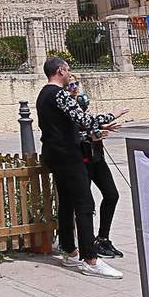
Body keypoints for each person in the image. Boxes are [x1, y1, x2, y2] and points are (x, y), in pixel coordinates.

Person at [37, 56, 125, 280]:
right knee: (85, 204)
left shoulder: (42, 95)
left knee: (66, 202)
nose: (69, 74)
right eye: (67, 70)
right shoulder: (58, 94)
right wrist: (111, 115)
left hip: (55, 155)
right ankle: (90, 258)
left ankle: (69, 250)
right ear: (60, 71)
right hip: (68, 155)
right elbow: (82, 119)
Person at [69, 75, 122, 259]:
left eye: (76, 83)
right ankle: (86, 243)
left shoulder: (82, 103)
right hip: (80, 159)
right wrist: (93, 134)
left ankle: (103, 238)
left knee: (112, 194)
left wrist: (102, 126)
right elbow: (73, 133)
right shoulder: (64, 105)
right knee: (85, 204)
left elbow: (88, 123)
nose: (75, 87)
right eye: (71, 84)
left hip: (96, 157)